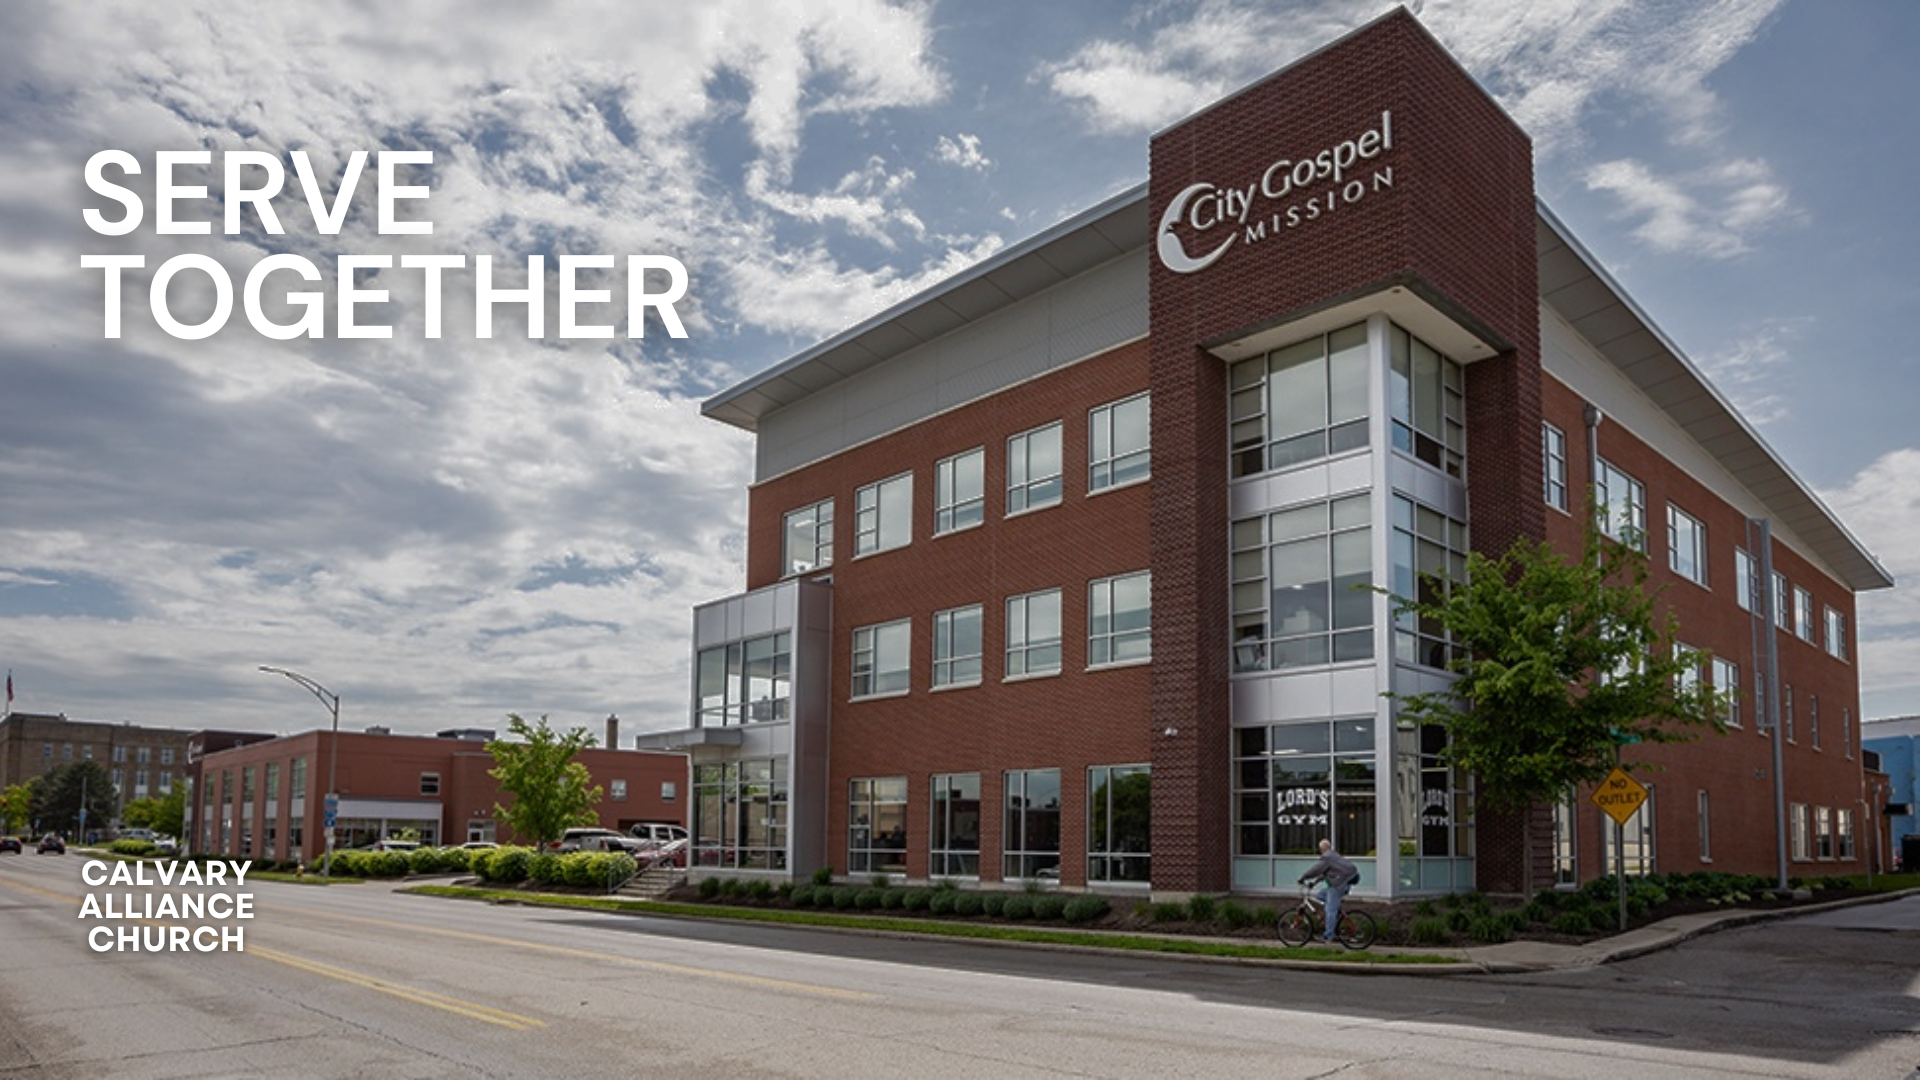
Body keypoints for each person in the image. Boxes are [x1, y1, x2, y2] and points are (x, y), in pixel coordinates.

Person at [1296, 839, 1359, 942]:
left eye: (1320, 849)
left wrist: (1303, 877)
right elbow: (1324, 873)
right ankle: (1335, 915)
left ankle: (1328, 936)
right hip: (1344, 882)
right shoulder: (1333, 855)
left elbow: (1316, 870)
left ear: (1322, 849)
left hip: (1339, 885)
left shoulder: (1327, 857)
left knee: (1330, 910)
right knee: (1320, 896)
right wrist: (1314, 883)